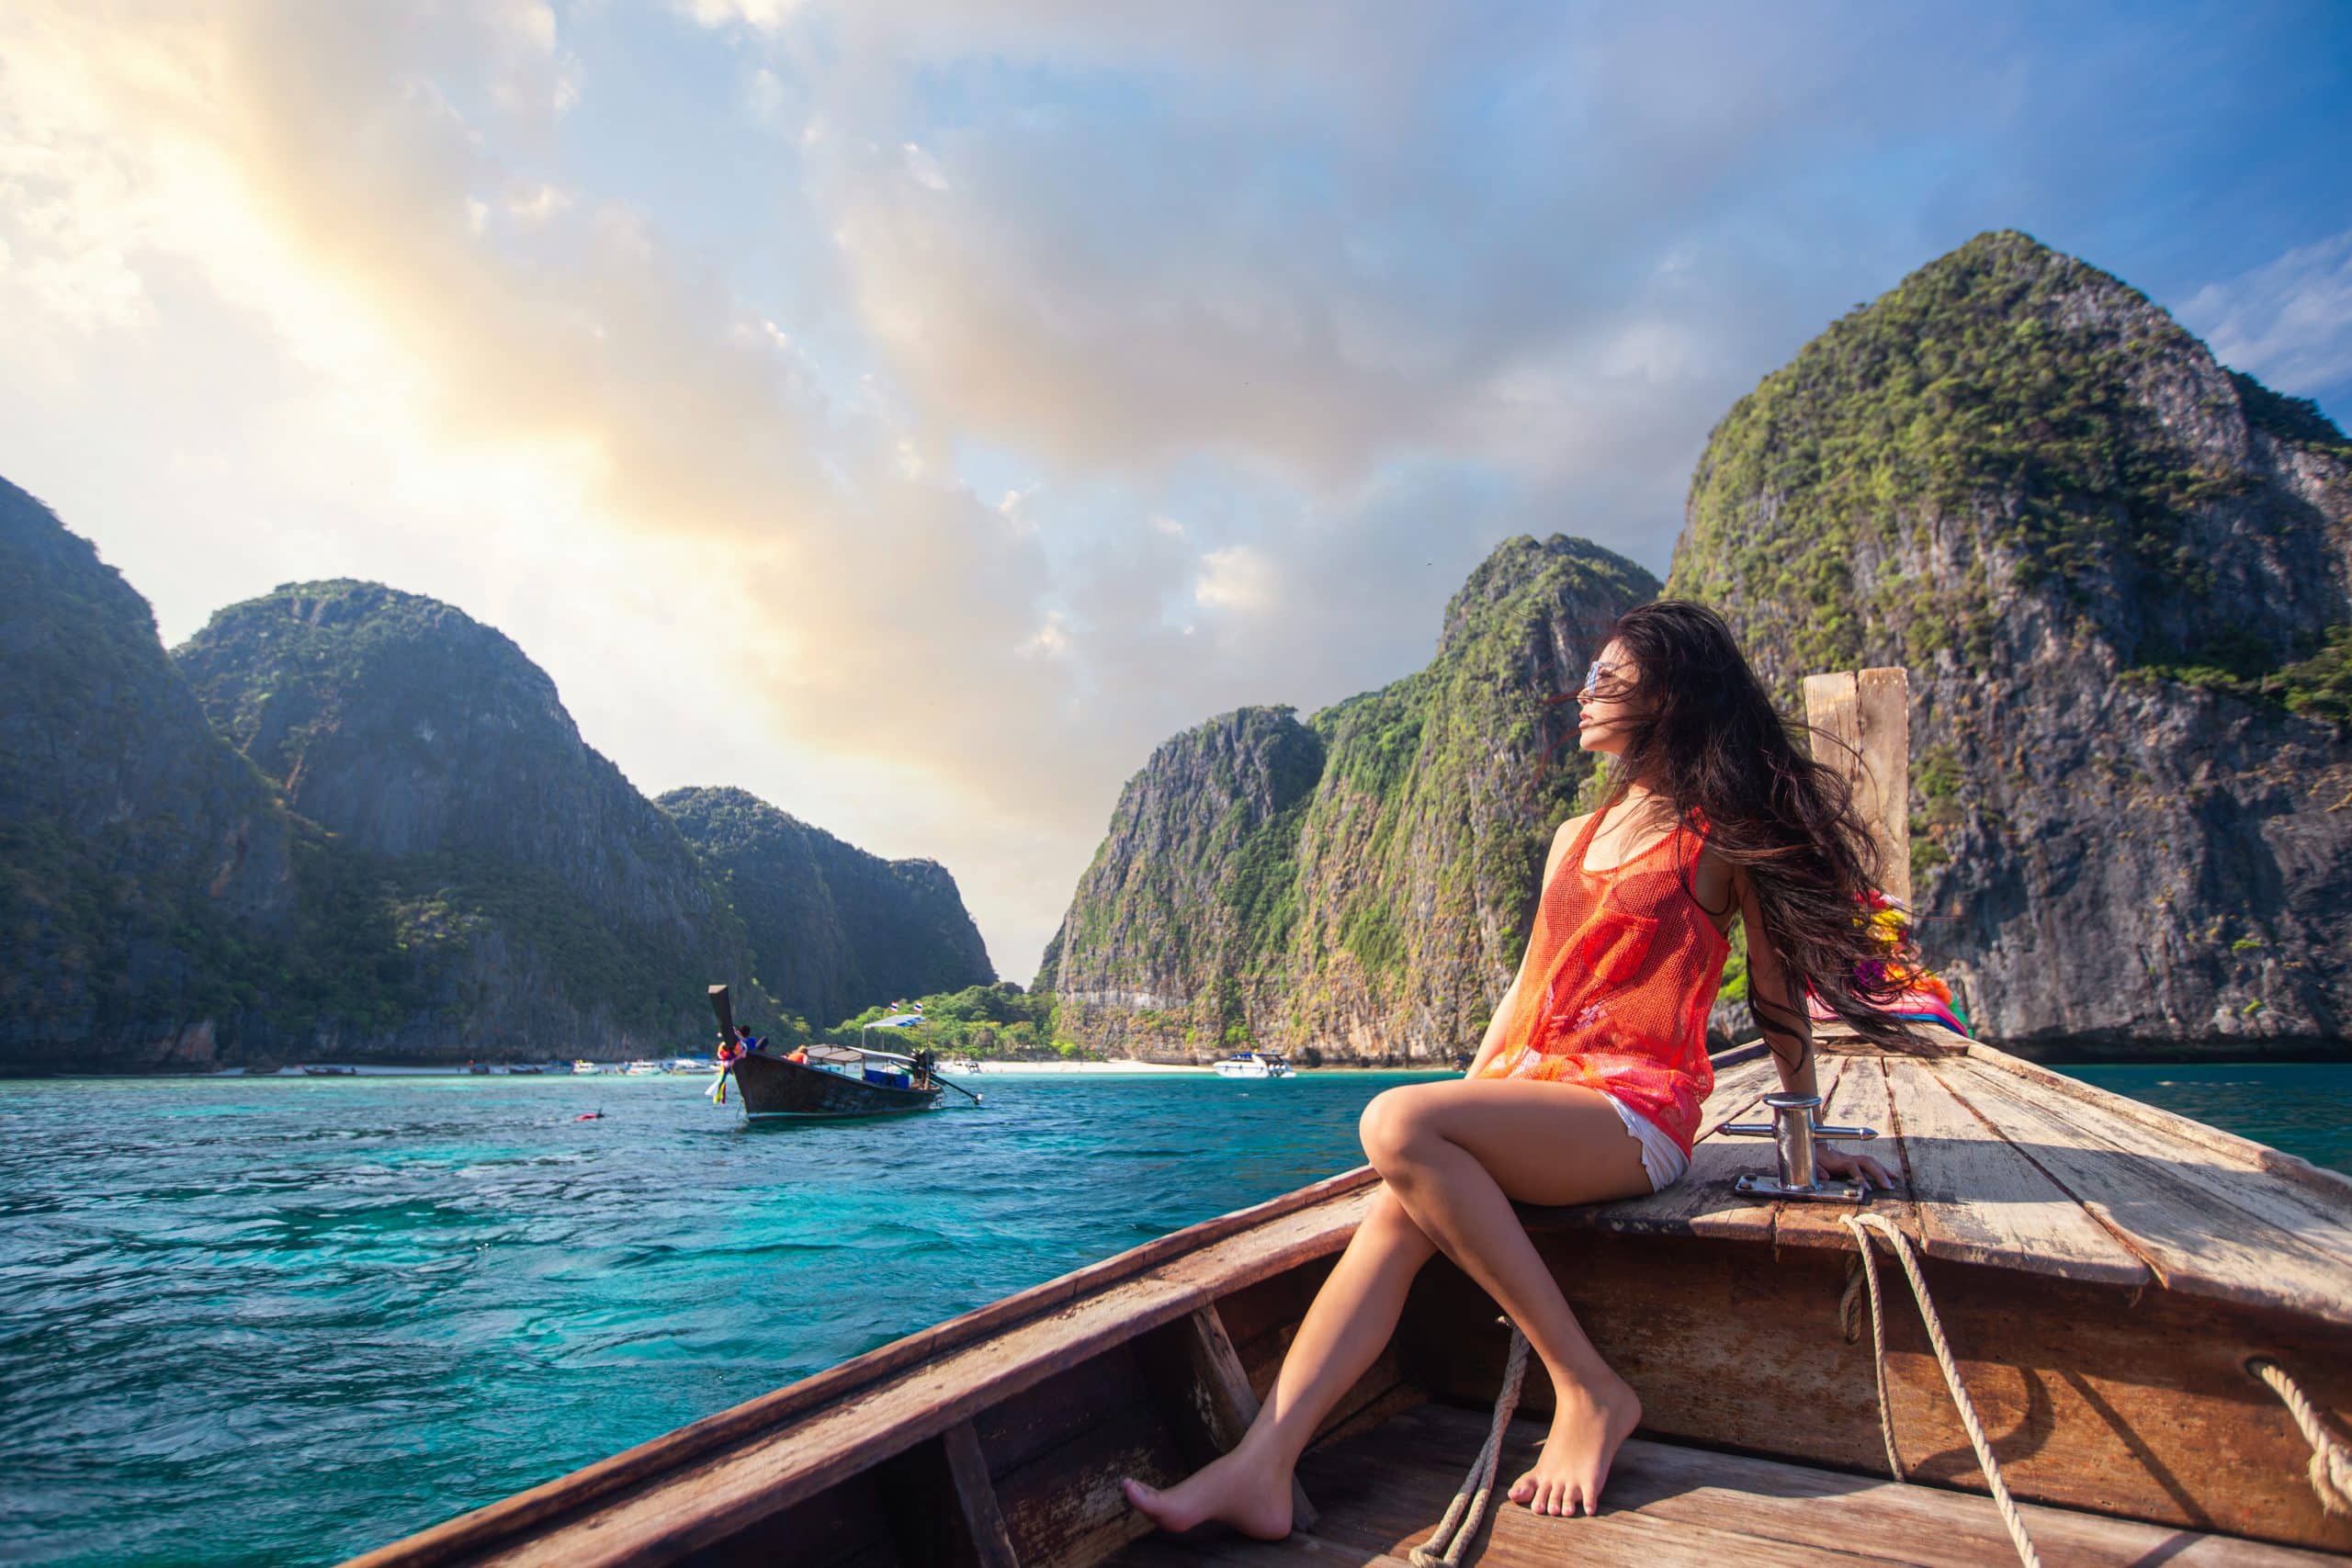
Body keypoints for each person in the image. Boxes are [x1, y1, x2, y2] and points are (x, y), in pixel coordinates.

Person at [1121, 601, 1908, 1536]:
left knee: (1395, 1124)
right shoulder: (1575, 835)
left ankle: (1588, 1388)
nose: (1584, 695)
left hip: (1636, 1114)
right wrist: (1456, 1107)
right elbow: (1527, 989)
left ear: (1668, 700)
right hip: (1542, 1097)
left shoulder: (1719, 837)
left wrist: (1806, 1138)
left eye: (1609, 680)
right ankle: (1262, 1466)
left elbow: (1777, 997)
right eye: (1590, 676)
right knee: (1398, 1191)